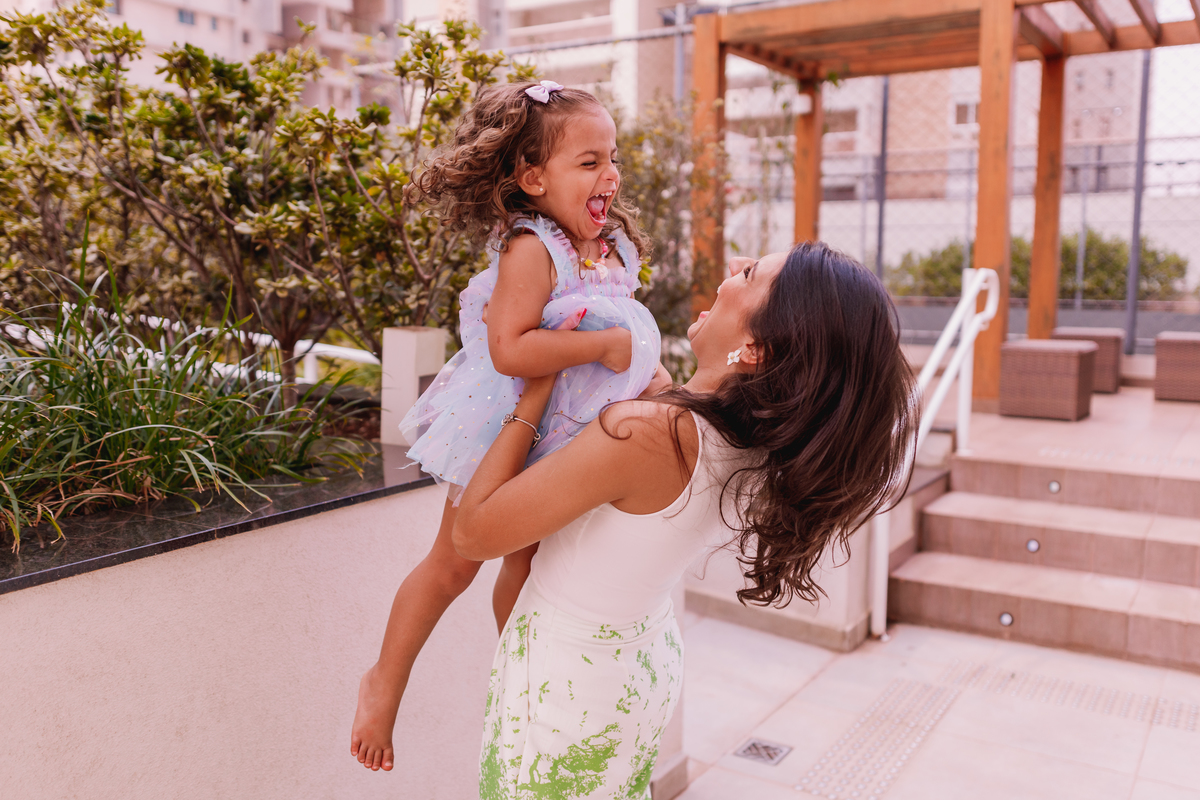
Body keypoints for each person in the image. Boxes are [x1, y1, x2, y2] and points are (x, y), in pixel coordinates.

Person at [452, 242, 919, 796]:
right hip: (630, 668)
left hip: (571, 690)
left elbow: (472, 532)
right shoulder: (750, 442)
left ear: (756, 347)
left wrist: (535, 390)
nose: (727, 276)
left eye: (747, 274)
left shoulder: (645, 434)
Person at [351, 80, 670, 771]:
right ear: (532, 177)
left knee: (529, 561)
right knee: (453, 565)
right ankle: (385, 681)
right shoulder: (534, 247)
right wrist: (601, 349)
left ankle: (523, 673)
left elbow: (627, 332)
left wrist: (649, 377)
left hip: (567, 434)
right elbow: (510, 349)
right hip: (506, 423)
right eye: (588, 162)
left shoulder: (610, 247)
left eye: (611, 159)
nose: (609, 176)